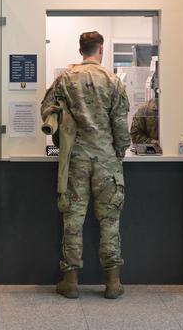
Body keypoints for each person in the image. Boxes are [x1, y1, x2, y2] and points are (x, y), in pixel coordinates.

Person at [40, 31, 130, 300]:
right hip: (106, 162)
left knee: (73, 219)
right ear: (100, 49)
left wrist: (62, 135)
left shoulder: (66, 79)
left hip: (76, 160)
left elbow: (47, 110)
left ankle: (70, 282)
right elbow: (121, 127)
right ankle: (112, 283)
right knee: (110, 220)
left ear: (81, 50)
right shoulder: (113, 80)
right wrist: (119, 151)